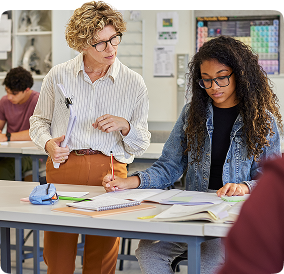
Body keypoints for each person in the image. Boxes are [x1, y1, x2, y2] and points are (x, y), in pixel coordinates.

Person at [103, 36, 282, 274]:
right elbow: (169, 166)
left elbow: (268, 182)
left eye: (221, 78)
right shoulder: (192, 114)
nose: (214, 87)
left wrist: (244, 187)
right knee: (149, 251)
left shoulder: (263, 121)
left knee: (209, 262)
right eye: (206, 80)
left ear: (239, 75)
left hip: (232, 216)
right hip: (194, 210)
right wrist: (130, 182)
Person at [29, 1, 150, 274]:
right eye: (101, 43)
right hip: (64, 167)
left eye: (114, 38)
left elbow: (141, 142)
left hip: (110, 171)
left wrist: (125, 126)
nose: (111, 49)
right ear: (82, 44)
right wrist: (48, 144)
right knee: (58, 256)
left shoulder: (133, 83)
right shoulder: (58, 75)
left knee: (102, 256)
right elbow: (38, 121)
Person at [218, 156, 284, 274]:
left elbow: (263, 178)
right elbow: (172, 166)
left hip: (235, 209)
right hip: (194, 211)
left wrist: (245, 186)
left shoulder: (278, 179)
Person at [0, 66, 39, 180]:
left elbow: (36, 133)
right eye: (7, 91)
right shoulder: (4, 101)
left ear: (27, 90)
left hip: (29, 153)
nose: (9, 97)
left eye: (14, 93)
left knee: (4, 170)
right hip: (8, 150)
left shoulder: (38, 101)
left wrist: (7, 137)